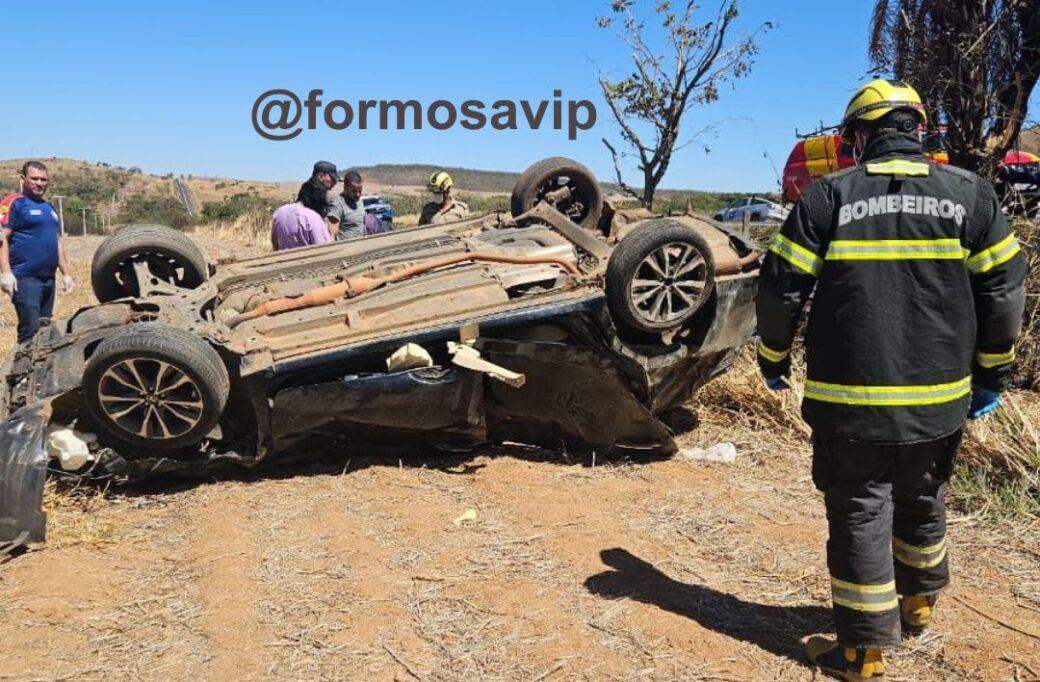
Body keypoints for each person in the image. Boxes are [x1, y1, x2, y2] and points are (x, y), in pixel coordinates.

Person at [755, 79, 1026, 680]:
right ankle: (919, 602)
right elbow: (1005, 290)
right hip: (941, 399)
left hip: (851, 403)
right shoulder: (971, 196)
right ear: (919, 130)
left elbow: (780, 288)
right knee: (924, 494)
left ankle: (861, 652)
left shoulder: (829, 197)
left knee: (860, 510)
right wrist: (992, 373)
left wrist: (773, 357)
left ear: (856, 137)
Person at [0, 161, 75, 344]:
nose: (39, 183)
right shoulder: (13, 203)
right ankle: (23, 372)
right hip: (25, 279)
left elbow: (57, 241)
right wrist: (6, 273)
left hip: (48, 279)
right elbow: (2, 238)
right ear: (23, 178)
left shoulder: (49, 208)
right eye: (34, 178)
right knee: (30, 331)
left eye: (43, 179)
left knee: (45, 330)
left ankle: (40, 371)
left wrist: (66, 274)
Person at [327, 171, 367, 240]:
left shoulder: (358, 201)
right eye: (354, 191)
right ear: (345, 187)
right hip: (346, 248)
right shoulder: (337, 204)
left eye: (360, 191)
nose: (358, 194)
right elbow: (332, 235)